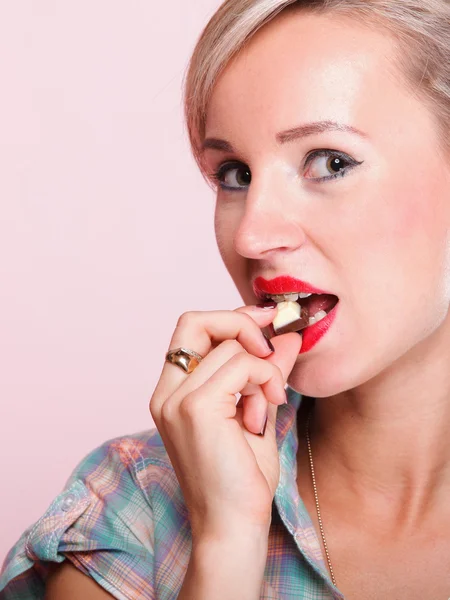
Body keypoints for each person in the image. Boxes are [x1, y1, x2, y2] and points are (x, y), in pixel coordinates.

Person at [2, 0, 450, 597]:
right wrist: (225, 543)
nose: (251, 235)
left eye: (330, 161)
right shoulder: (136, 507)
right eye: (235, 174)